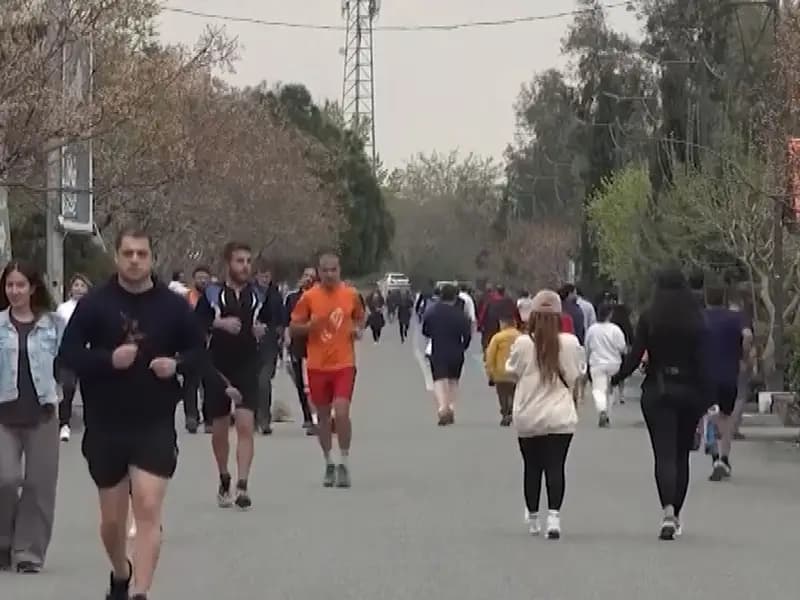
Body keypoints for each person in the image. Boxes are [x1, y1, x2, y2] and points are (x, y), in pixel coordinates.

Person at [58, 228, 205, 599]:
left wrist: (176, 364)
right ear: (118, 257)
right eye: (128, 253)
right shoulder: (94, 303)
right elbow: (69, 354)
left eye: (141, 253)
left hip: (153, 420)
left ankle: (141, 591)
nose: (135, 260)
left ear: (152, 257)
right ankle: (121, 572)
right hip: (106, 422)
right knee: (111, 522)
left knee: (148, 505)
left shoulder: (174, 307)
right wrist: (108, 359)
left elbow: (200, 352)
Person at [611, 269, 709, 541]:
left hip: (658, 389)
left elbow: (634, 357)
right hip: (690, 391)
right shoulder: (697, 320)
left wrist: (615, 378)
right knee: (681, 455)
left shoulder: (650, 318)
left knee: (663, 454)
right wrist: (708, 396)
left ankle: (666, 510)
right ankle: (676, 513)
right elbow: (704, 361)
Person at [195, 242, 279, 509]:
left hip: (247, 365)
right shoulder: (212, 294)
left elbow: (275, 320)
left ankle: (243, 485)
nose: (245, 266)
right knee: (220, 429)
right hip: (218, 366)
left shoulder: (259, 295)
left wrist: (262, 328)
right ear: (228, 264)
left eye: (248, 261)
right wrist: (218, 323)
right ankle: (224, 476)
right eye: (239, 261)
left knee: (245, 425)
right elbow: (194, 325)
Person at [505, 290, 583, 540]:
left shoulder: (523, 343)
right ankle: (554, 518)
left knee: (532, 466)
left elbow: (511, 370)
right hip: (560, 415)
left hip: (528, 414)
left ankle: (534, 519)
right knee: (556, 466)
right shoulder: (570, 343)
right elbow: (577, 373)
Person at [0, 261, 62, 574]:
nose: (14, 291)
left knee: (39, 486)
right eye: (9, 285)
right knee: (5, 479)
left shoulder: (53, 324)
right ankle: (3, 542)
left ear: (33, 288)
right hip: (3, 416)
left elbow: (68, 359)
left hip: (43, 414)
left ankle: (29, 553)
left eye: (20, 285)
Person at [290, 253, 365, 488]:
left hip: (344, 363)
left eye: (334, 269)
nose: (330, 274)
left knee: (341, 412)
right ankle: (329, 462)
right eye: (325, 270)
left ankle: (344, 461)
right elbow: (293, 328)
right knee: (323, 418)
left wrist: (357, 329)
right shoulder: (308, 298)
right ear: (318, 272)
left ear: (340, 270)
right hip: (317, 365)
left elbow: (361, 318)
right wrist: (308, 326)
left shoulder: (351, 295)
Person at [704, 286, 750, 481]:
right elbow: (747, 335)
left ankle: (716, 457)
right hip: (729, 375)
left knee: (710, 415)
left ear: (706, 299)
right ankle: (724, 457)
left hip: (706, 375)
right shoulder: (736, 318)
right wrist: (744, 356)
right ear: (723, 298)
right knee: (726, 417)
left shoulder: (700, 318)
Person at [422, 284, 472, 425]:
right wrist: (464, 346)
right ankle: (451, 406)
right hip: (456, 350)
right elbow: (467, 334)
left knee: (439, 380)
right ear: (455, 297)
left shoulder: (432, 311)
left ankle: (442, 407)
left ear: (440, 296)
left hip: (439, 349)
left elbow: (425, 330)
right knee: (453, 380)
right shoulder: (460, 314)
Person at [56, 273, 91, 442]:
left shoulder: (92, 307)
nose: (79, 288)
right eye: (76, 285)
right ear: (71, 289)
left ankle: (91, 424)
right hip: (67, 355)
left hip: (87, 355)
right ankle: (64, 424)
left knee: (89, 390)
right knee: (67, 389)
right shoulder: (63, 309)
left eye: (82, 285)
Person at [252, 260, 285, 435]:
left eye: (267, 275)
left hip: (270, 342)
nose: (265, 278)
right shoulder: (249, 292)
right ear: (256, 275)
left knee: (264, 380)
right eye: (261, 275)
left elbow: (281, 317)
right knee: (251, 382)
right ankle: (253, 417)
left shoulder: (275, 294)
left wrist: (281, 334)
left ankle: (264, 419)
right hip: (250, 342)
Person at [283, 267, 318, 435]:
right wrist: (287, 337)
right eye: (306, 276)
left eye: (312, 277)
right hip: (297, 344)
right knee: (300, 383)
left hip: (316, 345)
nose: (308, 279)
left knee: (314, 382)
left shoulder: (319, 297)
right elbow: (286, 320)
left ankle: (317, 417)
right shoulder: (292, 297)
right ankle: (307, 416)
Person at [584, 303, 627, 428]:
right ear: (610, 315)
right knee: (610, 390)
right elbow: (622, 347)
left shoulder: (592, 329)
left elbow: (587, 347)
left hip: (597, 363)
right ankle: (607, 413)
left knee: (598, 389)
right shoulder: (615, 329)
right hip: (614, 363)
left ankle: (602, 410)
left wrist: (587, 361)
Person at [183, 265, 212, 433]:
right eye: (199, 277)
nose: (202, 280)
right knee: (190, 383)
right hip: (190, 345)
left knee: (209, 383)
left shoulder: (214, 298)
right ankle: (191, 416)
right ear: (193, 280)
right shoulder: (187, 298)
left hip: (210, 345)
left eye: (205, 278)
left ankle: (210, 419)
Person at [484, 314, 520, 427]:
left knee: (503, 395)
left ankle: (505, 412)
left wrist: (490, 373)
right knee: (515, 394)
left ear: (503, 324)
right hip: (517, 373)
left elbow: (490, 356)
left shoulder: (498, 338)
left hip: (501, 372)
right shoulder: (521, 337)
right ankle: (514, 410)